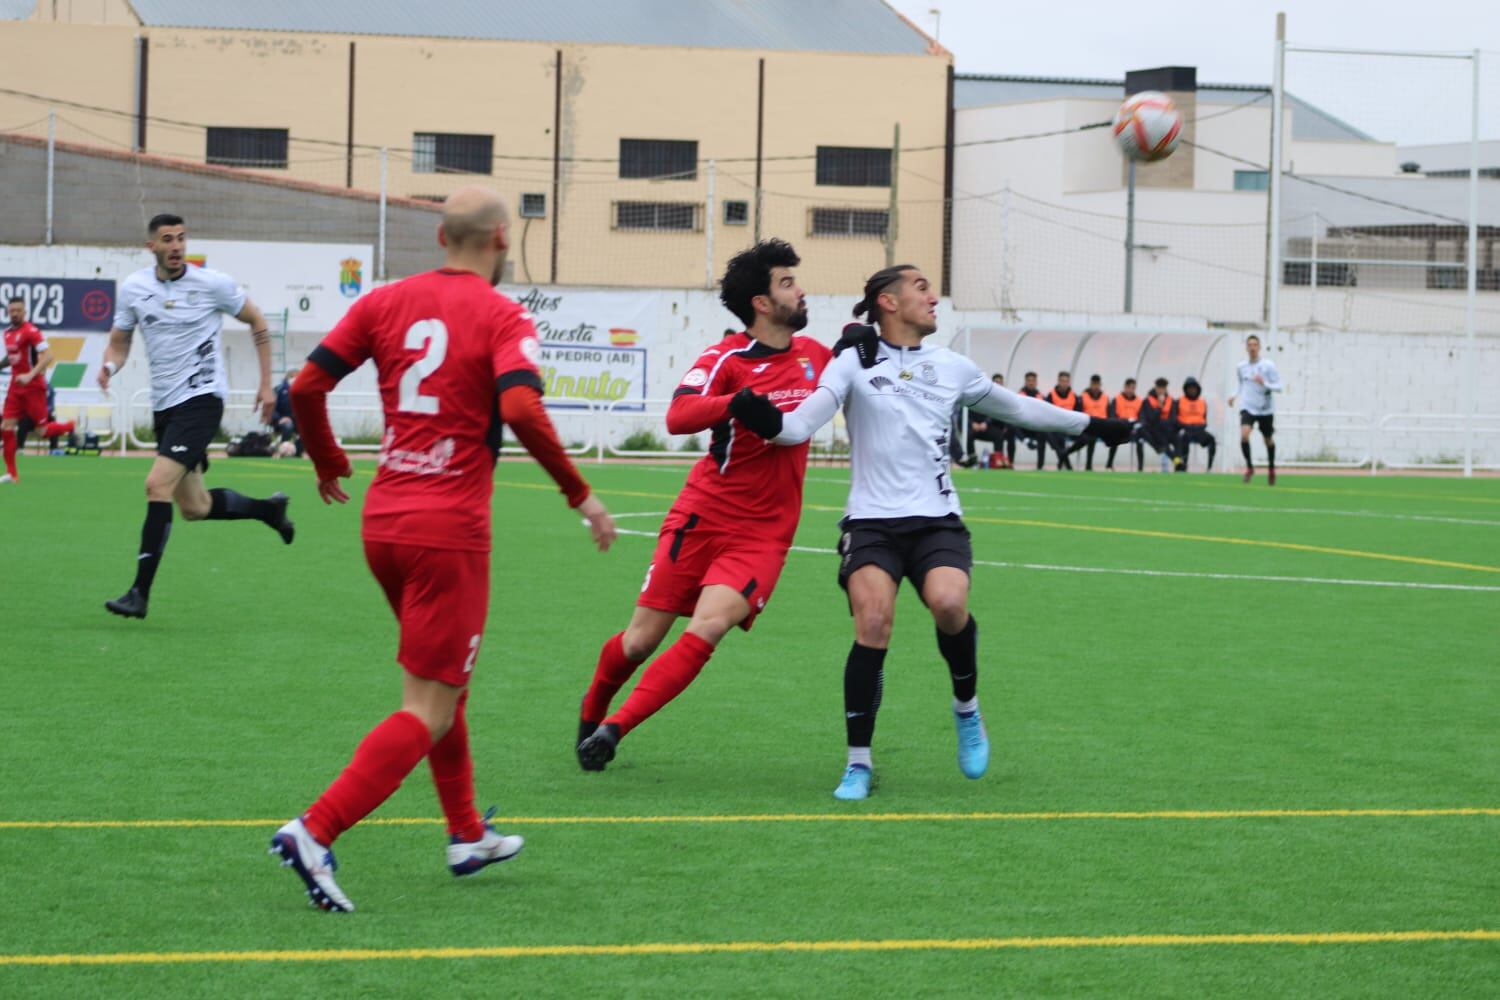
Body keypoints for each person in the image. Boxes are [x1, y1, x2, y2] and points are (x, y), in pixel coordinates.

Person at [269, 187, 618, 913]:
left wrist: (328, 460)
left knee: (441, 685)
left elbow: (305, 386)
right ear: (499, 237)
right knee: (426, 704)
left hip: (385, 522)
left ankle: (466, 834)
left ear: (438, 235)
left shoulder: (384, 302)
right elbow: (521, 407)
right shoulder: (502, 313)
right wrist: (579, 493)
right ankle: (315, 830)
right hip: (447, 532)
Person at [739, 264, 1129, 800]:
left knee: (949, 604)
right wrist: (762, 418)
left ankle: (966, 709)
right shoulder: (851, 362)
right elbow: (801, 425)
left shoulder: (953, 367)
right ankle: (858, 763)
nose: (934, 296)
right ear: (888, 302)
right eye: (921, 287)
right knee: (873, 621)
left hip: (936, 518)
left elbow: (1020, 410)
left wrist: (1098, 427)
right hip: (870, 522)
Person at [575, 239, 876, 771]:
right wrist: (732, 403)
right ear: (762, 302)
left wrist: (858, 342)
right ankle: (591, 712)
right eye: (787, 283)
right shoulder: (726, 358)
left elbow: (861, 376)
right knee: (640, 640)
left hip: (764, 533)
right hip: (702, 514)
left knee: (709, 625)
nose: (800, 290)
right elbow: (678, 416)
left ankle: (613, 730)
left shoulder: (816, 359)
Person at [97, 214, 295, 619]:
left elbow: (258, 322)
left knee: (156, 485)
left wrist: (265, 385)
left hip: (202, 400)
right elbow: (119, 343)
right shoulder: (135, 289)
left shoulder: (212, 284)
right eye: (167, 239)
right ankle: (269, 511)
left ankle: (139, 593)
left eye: (181, 239)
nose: (176, 246)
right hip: (165, 407)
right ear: (151, 246)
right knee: (195, 507)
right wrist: (109, 368)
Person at [1, 296, 77, 483]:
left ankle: (70, 426)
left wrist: (29, 375)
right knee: (6, 427)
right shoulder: (7, 333)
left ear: (25, 312)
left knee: (42, 431)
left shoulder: (31, 331)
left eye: (18, 310)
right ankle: (12, 473)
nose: (15, 314)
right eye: (12, 311)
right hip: (15, 387)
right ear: (8, 312)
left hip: (33, 387)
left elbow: (48, 356)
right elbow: (11, 359)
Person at [1229, 334, 1283, 485]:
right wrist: (1233, 395)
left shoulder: (1268, 366)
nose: (1252, 348)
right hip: (1248, 407)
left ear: (1259, 347)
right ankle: (1249, 468)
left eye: (1255, 345)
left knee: (1268, 440)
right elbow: (1240, 384)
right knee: (1244, 435)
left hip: (1265, 409)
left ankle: (1271, 469)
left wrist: (1265, 383)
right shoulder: (1241, 367)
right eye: (1249, 345)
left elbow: (1279, 386)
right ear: (1246, 347)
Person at [1067, 373, 1110, 471]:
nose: (1095, 387)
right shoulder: (1083, 397)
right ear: (1090, 384)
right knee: (1090, 437)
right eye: (1093, 384)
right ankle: (1088, 464)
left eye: (1097, 384)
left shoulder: (1105, 398)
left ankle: (1108, 464)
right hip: (1086, 426)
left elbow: (1109, 413)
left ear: (1100, 385)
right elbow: (1078, 412)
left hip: (1102, 427)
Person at [1172, 376, 1216, 471]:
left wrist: (1199, 427)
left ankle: (1209, 467)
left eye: (1194, 388)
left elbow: (1204, 420)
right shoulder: (1179, 401)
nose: (1192, 390)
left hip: (1198, 430)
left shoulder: (1202, 402)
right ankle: (1183, 465)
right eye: (1190, 388)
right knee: (1183, 437)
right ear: (1186, 389)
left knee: (1211, 439)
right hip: (1185, 429)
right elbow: (1175, 419)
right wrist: (1185, 426)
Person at [1043, 371, 1082, 470]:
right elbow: (1047, 412)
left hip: (1070, 427)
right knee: (1052, 435)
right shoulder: (1051, 395)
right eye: (1062, 381)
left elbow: (1079, 413)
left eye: (1066, 381)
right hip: (1057, 426)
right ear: (1058, 381)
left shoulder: (1074, 396)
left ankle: (1064, 454)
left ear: (1069, 382)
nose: (1064, 383)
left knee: (1087, 437)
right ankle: (1067, 465)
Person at [1107, 377, 1145, 471]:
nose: (1131, 390)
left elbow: (1142, 417)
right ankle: (1109, 464)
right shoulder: (1116, 399)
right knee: (1114, 438)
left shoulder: (1139, 401)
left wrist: (1136, 425)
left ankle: (1140, 468)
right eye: (1130, 387)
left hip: (1134, 429)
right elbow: (1112, 415)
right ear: (1125, 387)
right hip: (1120, 427)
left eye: (1133, 388)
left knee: (1140, 439)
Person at [1139, 377, 1176, 472]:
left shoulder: (1171, 401)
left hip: (1166, 429)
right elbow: (1151, 420)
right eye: (1159, 388)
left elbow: (1173, 419)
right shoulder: (1147, 401)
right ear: (1155, 388)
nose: (1161, 390)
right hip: (1152, 430)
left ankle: (1178, 463)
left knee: (1178, 437)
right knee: (1142, 431)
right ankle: (1158, 449)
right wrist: (1159, 406)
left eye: (1163, 388)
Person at [1017, 371, 1045, 468]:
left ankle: (1040, 466)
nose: (1031, 382)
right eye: (1029, 380)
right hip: (1023, 427)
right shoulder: (1019, 395)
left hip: (1034, 426)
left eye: (1033, 380)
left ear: (1036, 382)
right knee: (1011, 425)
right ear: (1025, 382)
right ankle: (1025, 441)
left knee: (1045, 432)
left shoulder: (1040, 396)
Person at [271, 366, 301, 456]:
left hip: (298, 420)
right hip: (281, 421)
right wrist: (279, 418)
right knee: (288, 426)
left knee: (309, 428)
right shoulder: (278, 390)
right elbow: (272, 409)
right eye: (292, 376)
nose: (294, 379)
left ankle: (297, 451)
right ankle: (283, 451)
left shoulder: (304, 391)